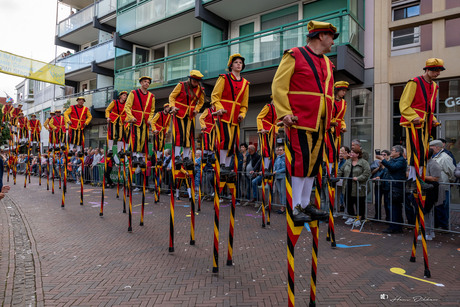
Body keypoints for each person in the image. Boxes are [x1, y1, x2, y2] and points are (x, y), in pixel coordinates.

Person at [271, 20, 336, 223]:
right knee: (301, 162)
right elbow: (278, 85)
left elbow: (329, 92)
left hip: (320, 121)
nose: (333, 41)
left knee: (313, 164)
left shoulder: (327, 62)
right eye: (331, 36)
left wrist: (330, 116)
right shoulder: (294, 54)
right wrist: (284, 113)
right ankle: (295, 206)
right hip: (299, 119)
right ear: (321, 36)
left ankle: (306, 204)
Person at [400, 58, 443, 189]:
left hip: (426, 122)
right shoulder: (414, 82)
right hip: (415, 122)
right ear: (427, 70)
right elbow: (404, 104)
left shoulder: (434, 86)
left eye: (439, 71)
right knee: (415, 149)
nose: (438, 74)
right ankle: (414, 178)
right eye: (435, 71)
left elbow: (429, 107)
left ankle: (417, 178)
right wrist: (413, 117)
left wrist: (433, 119)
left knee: (423, 151)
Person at [211, 54, 249, 174]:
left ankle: (227, 166)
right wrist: (220, 108)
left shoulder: (245, 83)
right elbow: (215, 96)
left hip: (235, 118)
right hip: (224, 115)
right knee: (225, 139)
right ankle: (222, 163)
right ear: (231, 65)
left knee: (232, 143)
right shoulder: (223, 78)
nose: (239, 64)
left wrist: (242, 114)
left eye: (240, 63)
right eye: (236, 62)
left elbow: (244, 104)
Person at [169, 70, 205, 164]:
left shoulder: (200, 90)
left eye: (197, 81)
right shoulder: (181, 85)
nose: (196, 83)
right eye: (194, 81)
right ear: (190, 79)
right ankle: (177, 156)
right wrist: (173, 106)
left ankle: (185, 157)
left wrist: (196, 110)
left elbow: (201, 102)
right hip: (178, 112)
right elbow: (172, 97)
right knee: (179, 134)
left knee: (187, 136)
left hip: (190, 115)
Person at [376, 145, 407, 234]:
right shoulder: (394, 160)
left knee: (394, 207)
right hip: (391, 186)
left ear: (398, 152)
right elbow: (387, 169)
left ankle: (395, 226)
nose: (391, 152)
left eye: (393, 150)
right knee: (393, 207)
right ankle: (395, 226)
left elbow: (392, 167)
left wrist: (383, 159)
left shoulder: (401, 161)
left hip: (396, 187)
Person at [124, 76, 156, 165]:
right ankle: (134, 156)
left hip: (145, 121)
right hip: (136, 120)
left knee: (143, 139)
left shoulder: (152, 96)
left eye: (148, 82)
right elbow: (127, 106)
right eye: (145, 82)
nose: (147, 83)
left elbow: (152, 110)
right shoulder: (133, 93)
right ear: (141, 83)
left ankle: (141, 157)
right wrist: (131, 117)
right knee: (135, 138)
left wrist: (150, 119)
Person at [338, 148, 371, 227]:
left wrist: (358, 178)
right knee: (348, 202)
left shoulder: (364, 162)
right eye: (351, 152)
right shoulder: (348, 162)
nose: (351, 154)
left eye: (353, 152)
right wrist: (337, 176)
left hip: (359, 187)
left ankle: (359, 218)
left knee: (359, 203)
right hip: (347, 185)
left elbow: (367, 173)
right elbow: (341, 170)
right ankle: (352, 216)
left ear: (358, 154)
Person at [429, 139, 455, 229]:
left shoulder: (445, 157)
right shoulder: (432, 157)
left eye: (430, 147)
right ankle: (437, 224)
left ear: (437, 147)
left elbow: (452, 171)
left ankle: (444, 225)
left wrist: (449, 182)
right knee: (436, 206)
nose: (429, 149)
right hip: (434, 186)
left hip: (442, 186)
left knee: (442, 206)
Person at [325, 81, 348, 175]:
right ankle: (327, 172)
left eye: (345, 91)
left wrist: (343, 126)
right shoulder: (330, 100)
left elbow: (341, 118)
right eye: (343, 90)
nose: (344, 93)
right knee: (330, 150)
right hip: (328, 128)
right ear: (337, 90)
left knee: (336, 151)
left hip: (337, 130)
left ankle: (333, 172)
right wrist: (330, 123)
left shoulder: (344, 103)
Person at [421, 148, 441, 240]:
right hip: (424, 190)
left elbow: (435, 178)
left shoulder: (433, 164)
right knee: (424, 212)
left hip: (430, 191)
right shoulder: (423, 164)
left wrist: (421, 176)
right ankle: (426, 231)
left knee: (428, 212)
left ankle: (429, 232)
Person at [256, 97, 279, 169]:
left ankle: (269, 167)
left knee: (271, 149)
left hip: (272, 131)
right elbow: (259, 117)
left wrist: (276, 131)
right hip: (265, 130)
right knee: (266, 148)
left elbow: (277, 122)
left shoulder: (279, 110)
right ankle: (265, 167)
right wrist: (261, 128)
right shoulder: (268, 107)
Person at [370, 149, 390, 220]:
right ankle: (377, 217)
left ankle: (388, 218)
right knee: (377, 201)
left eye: (384, 155)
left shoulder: (389, 163)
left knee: (387, 202)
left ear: (388, 156)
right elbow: (372, 172)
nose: (382, 156)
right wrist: (379, 167)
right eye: (381, 155)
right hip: (378, 184)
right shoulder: (376, 162)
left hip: (386, 185)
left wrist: (384, 166)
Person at [274, 146, 286, 214]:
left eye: (281, 150)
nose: (279, 151)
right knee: (279, 192)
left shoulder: (285, 158)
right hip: (277, 176)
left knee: (282, 192)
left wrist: (277, 171)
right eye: (278, 150)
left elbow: (285, 168)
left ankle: (283, 208)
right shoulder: (277, 158)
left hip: (283, 176)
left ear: (284, 150)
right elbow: (275, 166)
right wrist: (274, 171)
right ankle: (282, 206)